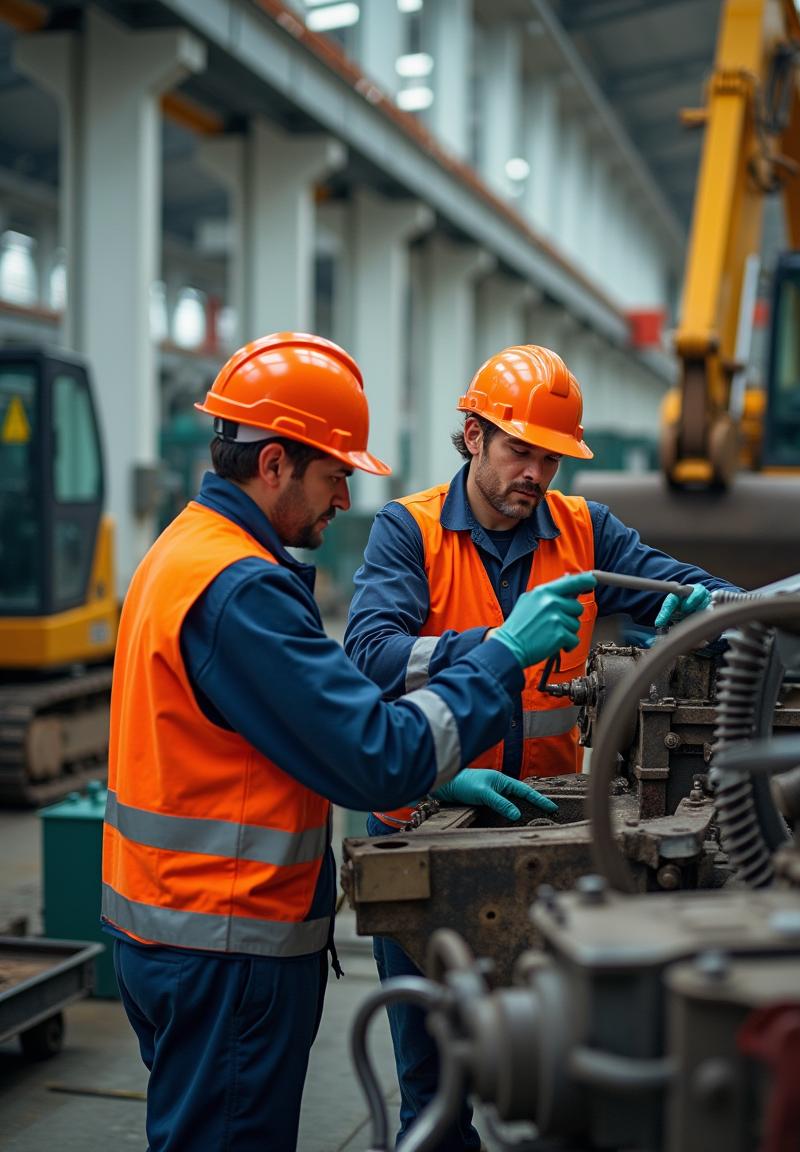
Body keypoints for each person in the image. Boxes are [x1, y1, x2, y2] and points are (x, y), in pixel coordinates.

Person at [100, 332, 598, 1152]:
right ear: (273, 465)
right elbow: (375, 752)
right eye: (334, 476)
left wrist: (445, 785)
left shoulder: (181, 554)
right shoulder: (243, 591)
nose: (343, 501)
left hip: (172, 935)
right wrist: (505, 653)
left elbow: (275, 747)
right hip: (228, 947)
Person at [344, 343, 739, 1152]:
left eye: (550, 457)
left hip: (546, 836)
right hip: (430, 825)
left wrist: (708, 605)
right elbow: (370, 656)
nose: (535, 474)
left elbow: (683, 584)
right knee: (434, 1080)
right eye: (519, 449)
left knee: (561, 1068)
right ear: (472, 436)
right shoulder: (407, 531)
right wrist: (497, 644)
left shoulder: (584, 530)